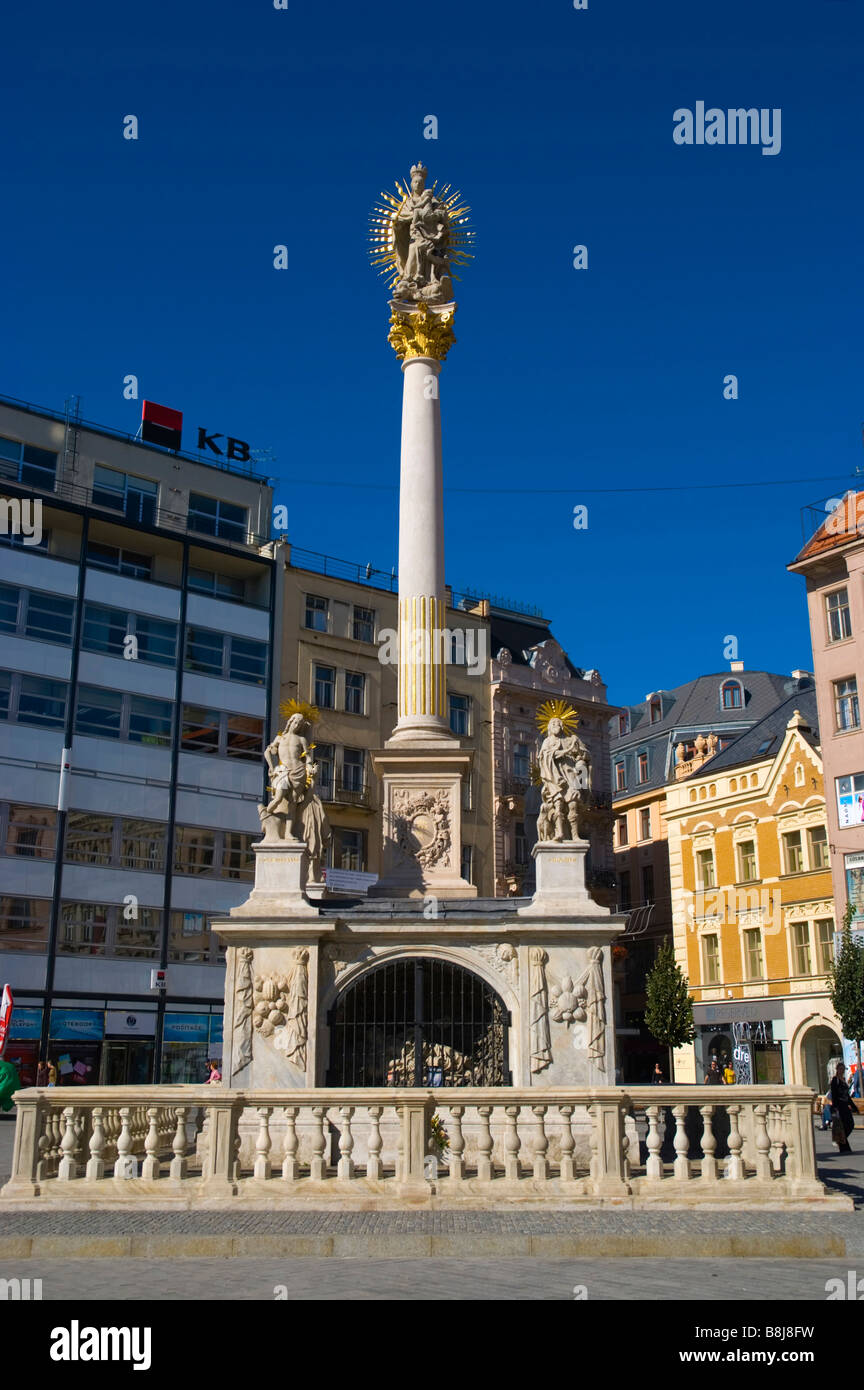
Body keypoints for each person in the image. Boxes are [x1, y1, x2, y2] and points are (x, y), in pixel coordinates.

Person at [829, 1062, 858, 1153]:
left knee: (850, 1124)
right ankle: (843, 1144)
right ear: (837, 1069)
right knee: (844, 1125)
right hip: (839, 1106)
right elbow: (834, 1094)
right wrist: (835, 1107)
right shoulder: (835, 1080)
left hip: (845, 1105)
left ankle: (841, 1142)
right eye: (840, 1069)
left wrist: (854, 1107)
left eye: (843, 1069)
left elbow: (847, 1096)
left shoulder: (843, 1080)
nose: (842, 1071)